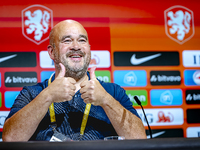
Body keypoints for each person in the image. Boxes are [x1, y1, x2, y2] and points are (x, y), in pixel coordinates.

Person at [2, 20, 147, 141]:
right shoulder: (33, 93)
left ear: (89, 49)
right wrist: (47, 96)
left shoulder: (113, 92)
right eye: (67, 40)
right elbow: (10, 139)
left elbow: (139, 137)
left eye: (82, 40)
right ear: (52, 52)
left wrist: (105, 100)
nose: (76, 46)